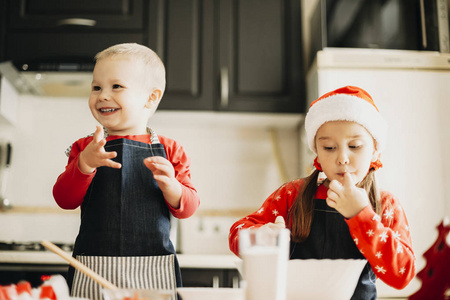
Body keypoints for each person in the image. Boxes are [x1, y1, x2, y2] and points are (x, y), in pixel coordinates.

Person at [229, 86, 415, 299]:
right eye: (329, 148)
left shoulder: (385, 204)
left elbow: (403, 274)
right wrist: (262, 237)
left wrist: (361, 216)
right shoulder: (292, 195)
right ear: (316, 151)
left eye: (354, 146)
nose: (342, 158)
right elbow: (238, 232)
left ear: (374, 150)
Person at [53, 43, 200, 300]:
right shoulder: (84, 147)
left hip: (153, 271)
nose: (102, 95)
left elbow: (189, 208)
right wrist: (84, 164)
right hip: (92, 268)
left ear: (151, 97)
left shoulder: (170, 149)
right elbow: (64, 199)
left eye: (116, 86)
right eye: (96, 87)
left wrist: (173, 188)